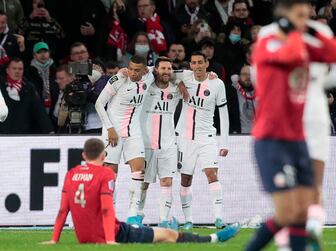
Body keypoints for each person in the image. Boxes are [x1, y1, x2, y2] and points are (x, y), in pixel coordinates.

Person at [246, 0, 336, 250]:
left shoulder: (304, 39)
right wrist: (295, 32)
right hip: (272, 137)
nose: (307, 20)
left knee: (303, 209)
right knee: (286, 213)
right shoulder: (268, 42)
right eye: (300, 15)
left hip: (298, 138)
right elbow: (292, 55)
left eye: (309, 15)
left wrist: (314, 32)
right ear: (284, 17)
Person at [41, 138, 241, 245]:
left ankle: (173, 224)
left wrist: (54, 239)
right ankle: (213, 239)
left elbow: (62, 211)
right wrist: (111, 240)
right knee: (167, 235)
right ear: (104, 154)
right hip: (116, 234)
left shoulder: (72, 173)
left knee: (164, 231)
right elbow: (105, 210)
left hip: (85, 237)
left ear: (84, 155)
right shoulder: (105, 174)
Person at [95, 55, 155, 225]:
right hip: (112, 131)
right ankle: (108, 215)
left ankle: (133, 215)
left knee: (139, 172)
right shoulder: (119, 79)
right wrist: (109, 128)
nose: (132, 73)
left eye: (137, 70)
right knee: (110, 175)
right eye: (130, 68)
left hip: (133, 132)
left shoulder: (150, 75)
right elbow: (99, 104)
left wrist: (210, 75)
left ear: (144, 70)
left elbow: (169, 69)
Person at [175, 51, 229, 230]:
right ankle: (188, 220)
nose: (197, 66)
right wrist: (180, 83)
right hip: (185, 138)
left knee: (212, 174)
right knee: (185, 179)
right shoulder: (184, 76)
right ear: (189, 65)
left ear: (207, 63)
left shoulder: (217, 83)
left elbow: (223, 114)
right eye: (193, 63)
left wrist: (225, 142)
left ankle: (219, 218)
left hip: (206, 137)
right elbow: (159, 71)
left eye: (200, 62)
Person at [139, 57, 182, 227]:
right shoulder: (145, 87)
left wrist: (211, 76)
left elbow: (189, 76)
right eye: (162, 68)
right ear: (156, 70)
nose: (166, 72)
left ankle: (164, 220)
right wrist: (149, 69)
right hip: (146, 144)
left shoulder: (176, 89)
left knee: (167, 181)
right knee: (143, 183)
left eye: (169, 68)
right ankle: (137, 216)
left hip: (168, 144)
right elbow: (142, 72)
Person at [0, 58, 54, 134]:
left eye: (20, 69)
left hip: (24, 136)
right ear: (7, 70)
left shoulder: (29, 87)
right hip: (3, 134)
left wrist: (49, 130)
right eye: (14, 68)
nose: (17, 71)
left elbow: (39, 111)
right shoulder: (1, 87)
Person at [25, 42, 56, 112]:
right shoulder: (28, 72)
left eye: (45, 52)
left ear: (49, 53)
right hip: (36, 107)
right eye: (39, 52)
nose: (43, 55)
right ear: (34, 55)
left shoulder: (56, 70)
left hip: (54, 107)